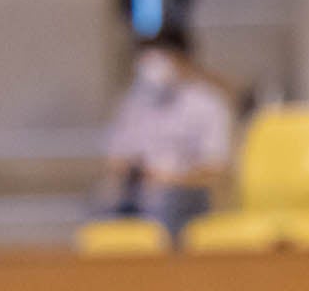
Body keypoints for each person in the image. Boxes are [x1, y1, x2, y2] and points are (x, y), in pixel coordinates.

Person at [100, 34, 235, 233]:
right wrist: (134, 172)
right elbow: (116, 158)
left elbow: (216, 168)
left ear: (182, 59)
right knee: (104, 201)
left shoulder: (207, 104)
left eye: (161, 59)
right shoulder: (134, 103)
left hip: (185, 192)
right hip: (139, 191)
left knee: (163, 201)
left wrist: (170, 178)